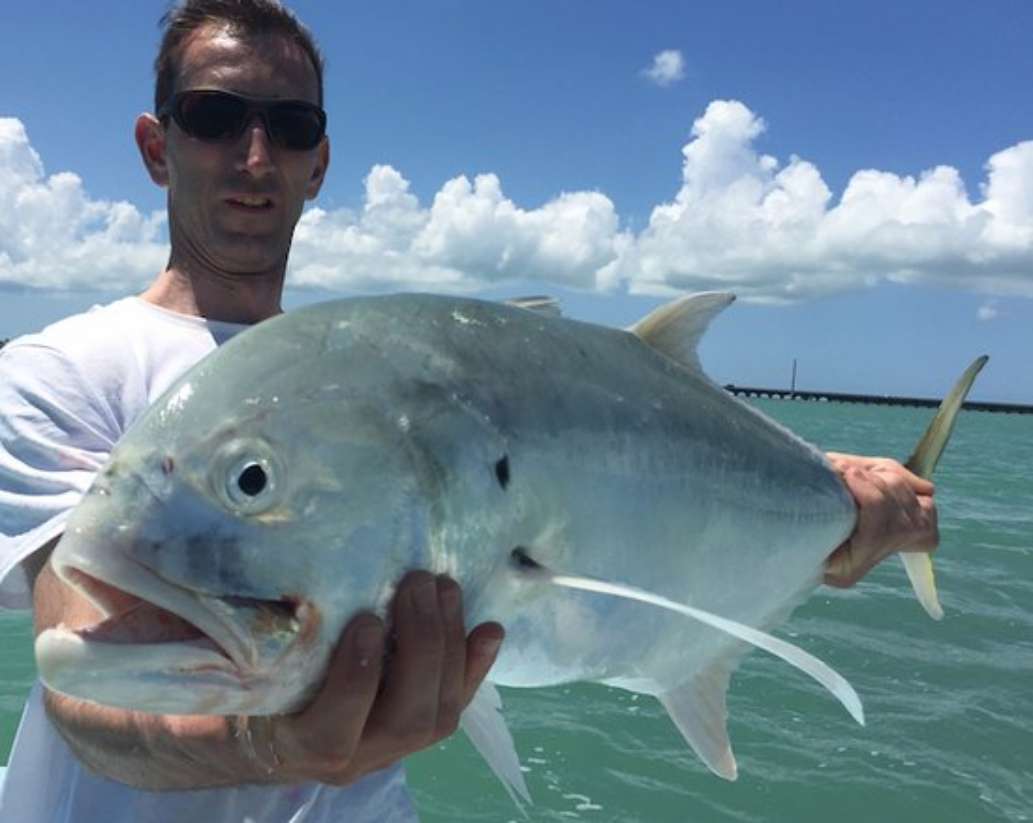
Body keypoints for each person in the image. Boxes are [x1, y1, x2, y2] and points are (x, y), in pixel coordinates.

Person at [0, 2, 937, 821]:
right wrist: (266, 743)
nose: (254, 154)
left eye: (289, 126)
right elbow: (85, 685)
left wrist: (839, 508)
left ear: (319, 162)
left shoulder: (367, 375)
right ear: (156, 144)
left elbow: (661, 496)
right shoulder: (64, 370)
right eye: (214, 116)